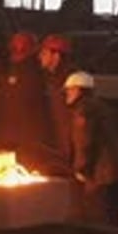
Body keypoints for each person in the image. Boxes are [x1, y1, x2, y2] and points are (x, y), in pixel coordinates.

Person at [63, 70, 118, 226]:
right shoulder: (99, 106)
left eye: (69, 90)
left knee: (99, 216)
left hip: (100, 173)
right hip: (113, 170)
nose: (67, 94)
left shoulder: (84, 110)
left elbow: (84, 142)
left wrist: (81, 169)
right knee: (112, 213)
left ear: (78, 90)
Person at [0, 31, 51, 168]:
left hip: (28, 133)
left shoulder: (32, 71)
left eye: (17, 44)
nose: (13, 47)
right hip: (13, 131)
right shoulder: (15, 68)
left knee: (28, 164)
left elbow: (31, 102)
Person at [38, 32, 76, 171]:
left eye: (44, 52)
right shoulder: (52, 79)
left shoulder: (71, 82)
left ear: (56, 55)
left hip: (71, 146)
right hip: (61, 144)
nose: (40, 56)